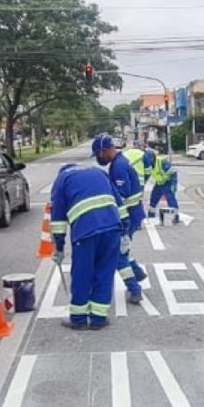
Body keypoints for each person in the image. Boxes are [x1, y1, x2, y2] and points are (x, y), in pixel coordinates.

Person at [50, 164, 125, 331]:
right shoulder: (99, 172)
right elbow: (119, 203)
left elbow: (58, 219)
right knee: (105, 272)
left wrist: (59, 247)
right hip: (112, 228)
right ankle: (98, 318)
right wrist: (125, 231)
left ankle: (78, 319)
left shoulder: (62, 180)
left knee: (82, 273)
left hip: (86, 231)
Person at [93, 134, 146, 304]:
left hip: (128, 216)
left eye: (98, 154)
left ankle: (134, 288)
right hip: (132, 214)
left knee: (117, 254)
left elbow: (121, 195)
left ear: (105, 150)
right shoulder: (118, 163)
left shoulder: (119, 167)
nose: (98, 158)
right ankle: (137, 273)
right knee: (123, 249)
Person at [148, 151, 180, 223]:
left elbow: (173, 172)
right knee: (153, 198)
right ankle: (151, 214)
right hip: (159, 183)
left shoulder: (162, 162)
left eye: (150, 160)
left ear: (153, 158)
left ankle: (175, 216)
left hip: (168, 182)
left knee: (170, 199)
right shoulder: (148, 165)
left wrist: (173, 184)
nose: (150, 162)